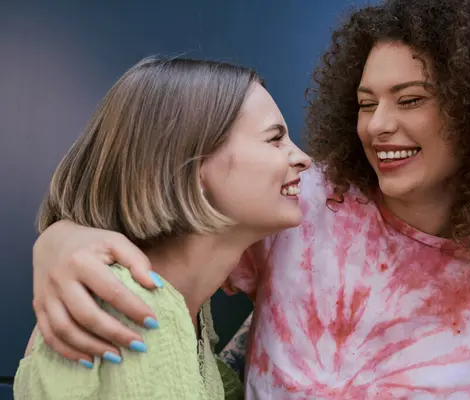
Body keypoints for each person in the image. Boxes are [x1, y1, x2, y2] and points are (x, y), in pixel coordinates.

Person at [30, 0, 470, 398]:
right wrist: (61, 238)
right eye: (366, 102)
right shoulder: (307, 202)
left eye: (410, 99)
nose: (378, 125)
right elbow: (171, 247)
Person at [14, 56, 310, 400]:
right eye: (275, 139)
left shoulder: (189, 314)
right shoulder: (129, 308)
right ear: (194, 167)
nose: (302, 157)